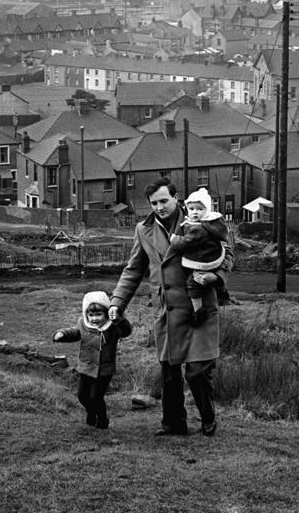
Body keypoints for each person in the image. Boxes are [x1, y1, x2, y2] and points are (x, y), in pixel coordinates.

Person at [108, 177, 233, 437]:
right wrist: (117, 302)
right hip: (166, 309)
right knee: (170, 372)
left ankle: (207, 417)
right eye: (154, 203)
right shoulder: (143, 230)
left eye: (164, 201)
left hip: (198, 306)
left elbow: (227, 253)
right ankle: (174, 424)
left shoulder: (200, 220)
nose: (159, 207)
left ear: (176, 198)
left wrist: (216, 277)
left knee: (198, 372)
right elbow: (133, 270)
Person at [53, 290, 132, 430]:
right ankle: (91, 411)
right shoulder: (83, 324)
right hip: (85, 366)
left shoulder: (113, 327)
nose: (94, 318)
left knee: (96, 397)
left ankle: (102, 420)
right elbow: (74, 332)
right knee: (82, 396)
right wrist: (61, 334)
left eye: (99, 314)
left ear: (107, 313)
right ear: (86, 314)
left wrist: (119, 319)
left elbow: (126, 331)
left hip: (104, 369)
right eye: (91, 315)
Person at [169, 187, 232, 326]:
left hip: (204, 261)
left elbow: (186, 242)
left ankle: (198, 311)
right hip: (205, 258)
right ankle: (221, 293)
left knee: (193, 283)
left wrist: (174, 240)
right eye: (191, 209)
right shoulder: (209, 224)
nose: (195, 212)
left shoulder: (200, 228)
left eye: (199, 209)